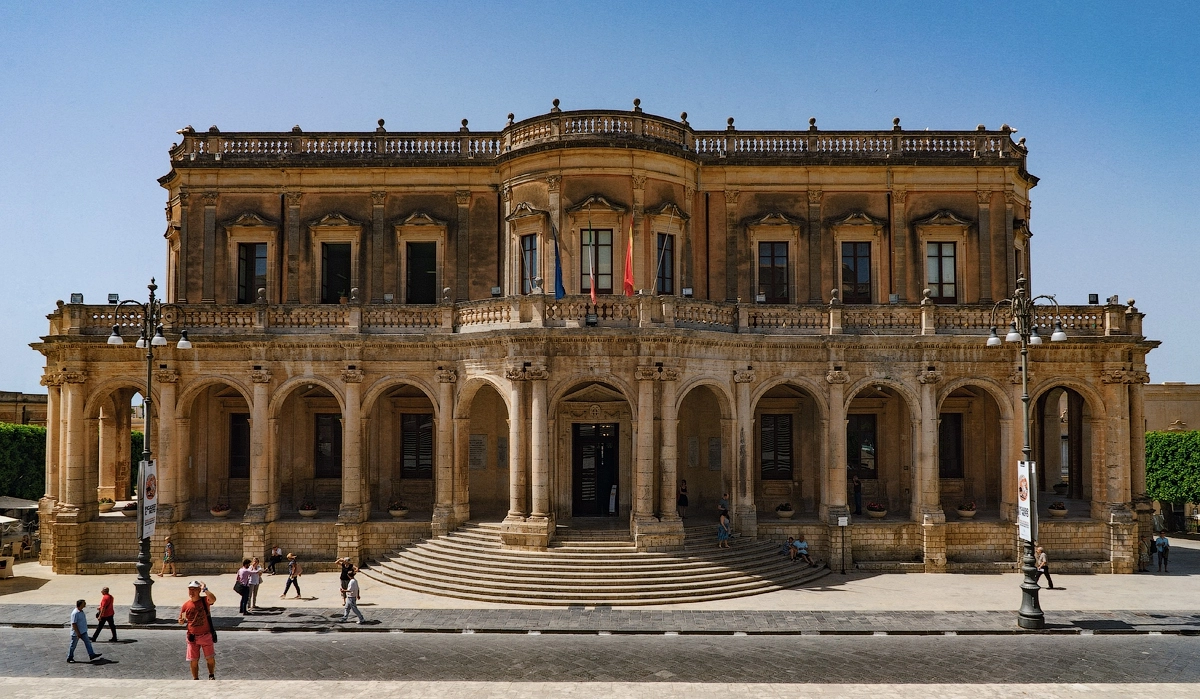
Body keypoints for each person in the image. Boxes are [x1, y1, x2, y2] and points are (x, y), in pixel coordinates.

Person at [179, 580, 216, 680]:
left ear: (199, 590)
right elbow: (181, 620)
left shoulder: (205, 601)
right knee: (193, 660)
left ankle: (211, 675)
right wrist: (181, 621)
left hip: (205, 635)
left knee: (210, 658)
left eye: (194, 589)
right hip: (192, 637)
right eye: (190, 589)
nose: (191, 592)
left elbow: (213, 599)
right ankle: (195, 679)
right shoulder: (186, 605)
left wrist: (205, 589)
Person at [67, 599, 102, 663]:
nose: (85, 604)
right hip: (76, 632)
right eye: (84, 603)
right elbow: (74, 624)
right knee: (73, 645)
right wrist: (78, 633)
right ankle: (70, 657)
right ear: (80, 604)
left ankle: (91, 654)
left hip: (83, 631)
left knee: (88, 642)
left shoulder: (81, 611)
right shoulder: (75, 613)